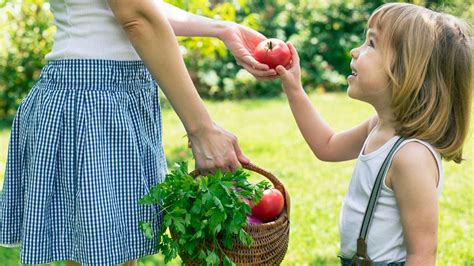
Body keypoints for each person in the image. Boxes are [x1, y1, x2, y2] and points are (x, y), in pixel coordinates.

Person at [0, 0, 277, 265]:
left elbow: (141, 7)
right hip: (93, 102)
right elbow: (135, 15)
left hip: (112, 98)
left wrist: (221, 29)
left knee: (114, 253)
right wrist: (201, 129)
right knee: (102, 256)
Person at [275, 3, 471, 265]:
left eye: (371, 44)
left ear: (406, 71)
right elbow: (327, 146)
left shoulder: (411, 157)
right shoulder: (377, 126)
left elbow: (422, 254)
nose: (356, 51)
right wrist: (294, 88)